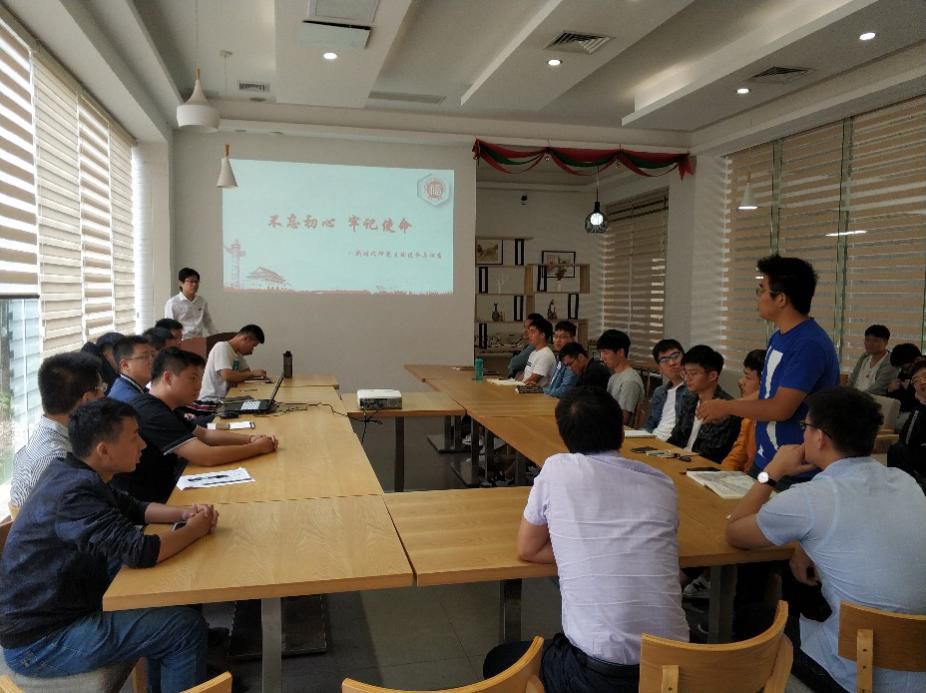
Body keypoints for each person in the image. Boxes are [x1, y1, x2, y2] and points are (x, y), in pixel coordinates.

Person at [0, 399, 215, 692]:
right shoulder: (74, 493)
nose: (143, 445)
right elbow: (140, 551)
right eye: (134, 437)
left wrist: (184, 513)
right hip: (41, 645)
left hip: (58, 615)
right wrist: (194, 530)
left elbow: (133, 508)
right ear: (104, 450)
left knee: (168, 601)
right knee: (184, 629)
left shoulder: (71, 471)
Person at [482, 387, 688, 692]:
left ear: (564, 436)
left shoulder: (558, 469)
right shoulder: (662, 483)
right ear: (622, 428)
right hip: (678, 669)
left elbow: (527, 549)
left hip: (600, 677)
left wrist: (581, 548)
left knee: (499, 661)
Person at [726, 386, 926, 693]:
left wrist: (772, 471)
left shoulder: (810, 497)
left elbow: (735, 531)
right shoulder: (904, 481)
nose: (803, 433)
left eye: (805, 426)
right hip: (919, 665)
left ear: (819, 437)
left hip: (858, 674)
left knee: (752, 618)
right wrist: (805, 544)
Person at [698, 254, 839, 484]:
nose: (758, 296)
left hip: (795, 469)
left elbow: (781, 408)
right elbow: (767, 394)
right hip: (767, 459)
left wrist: (728, 407)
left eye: (762, 289)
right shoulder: (780, 336)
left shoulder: (808, 344)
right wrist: (725, 408)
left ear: (781, 299)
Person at [112, 348, 277, 503]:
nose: (199, 386)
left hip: (164, 484)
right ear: (168, 378)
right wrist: (257, 448)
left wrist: (250, 439)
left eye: (200, 378)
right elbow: (207, 456)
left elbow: (204, 434)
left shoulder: (159, 404)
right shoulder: (151, 412)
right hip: (149, 499)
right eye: (192, 378)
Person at [9, 352, 105, 512]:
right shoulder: (58, 459)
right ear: (87, 399)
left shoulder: (49, 435)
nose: (104, 395)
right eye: (101, 389)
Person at [667, 345, 741, 463]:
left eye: (693, 373)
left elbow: (713, 453)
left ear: (712, 376)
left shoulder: (725, 408)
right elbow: (677, 437)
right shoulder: (689, 399)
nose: (687, 378)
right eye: (685, 373)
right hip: (678, 459)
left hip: (701, 465)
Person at [721, 349, 767, 472]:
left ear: (764, 385)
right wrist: (720, 475)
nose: (741, 382)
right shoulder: (749, 416)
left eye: (748, 377)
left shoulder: (776, 422)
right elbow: (737, 455)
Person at [198, 324, 268, 402]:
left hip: (226, 398)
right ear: (246, 338)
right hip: (212, 400)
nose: (252, 350)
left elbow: (246, 373)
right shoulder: (221, 347)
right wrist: (253, 373)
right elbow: (227, 375)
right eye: (253, 346)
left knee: (258, 401)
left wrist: (253, 375)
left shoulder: (238, 353)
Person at [887, 358, 926, 481]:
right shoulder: (919, 410)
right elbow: (906, 439)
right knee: (898, 450)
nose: (922, 382)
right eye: (916, 381)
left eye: (925, 376)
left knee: (897, 450)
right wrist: (922, 405)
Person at [642, 339, 687, 441]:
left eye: (675, 356)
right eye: (664, 360)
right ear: (660, 368)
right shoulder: (659, 392)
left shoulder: (694, 391)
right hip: (653, 439)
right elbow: (650, 424)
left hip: (671, 444)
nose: (671, 363)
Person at [597, 329, 644, 425]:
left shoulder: (629, 381)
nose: (602, 358)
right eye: (601, 353)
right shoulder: (614, 377)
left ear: (621, 352)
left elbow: (622, 420)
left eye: (606, 353)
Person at [164, 267, 217, 339]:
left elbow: (208, 322)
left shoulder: (201, 301)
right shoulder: (172, 303)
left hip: (199, 340)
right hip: (182, 341)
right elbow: (169, 328)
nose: (194, 284)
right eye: (191, 281)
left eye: (196, 282)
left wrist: (217, 338)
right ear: (181, 283)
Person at [847, 324, 898, 395]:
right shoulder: (864, 357)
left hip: (873, 399)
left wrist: (856, 398)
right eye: (867, 340)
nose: (870, 344)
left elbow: (878, 388)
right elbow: (852, 380)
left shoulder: (891, 362)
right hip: (854, 397)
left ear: (886, 342)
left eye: (875, 341)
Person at [108, 335, 155, 404]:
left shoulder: (128, 386)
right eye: (145, 357)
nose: (153, 361)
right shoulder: (131, 399)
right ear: (125, 365)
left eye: (153, 355)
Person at [886, 342, 923, 421]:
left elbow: (911, 405)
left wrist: (908, 389)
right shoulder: (905, 372)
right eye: (901, 369)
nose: (904, 372)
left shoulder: (921, 375)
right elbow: (898, 404)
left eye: (906, 369)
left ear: (917, 360)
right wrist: (890, 390)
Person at [543, 320, 578, 398]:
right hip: (552, 399)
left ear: (572, 339)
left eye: (563, 337)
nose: (558, 340)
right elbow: (553, 386)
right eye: (555, 336)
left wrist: (540, 390)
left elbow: (564, 391)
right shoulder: (560, 357)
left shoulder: (573, 360)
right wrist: (536, 388)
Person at [519, 316, 556, 387]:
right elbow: (525, 375)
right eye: (529, 332)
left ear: (542, 335)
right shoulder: (533, 353)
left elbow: (532, 380)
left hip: (535, 392)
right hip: (524, 389)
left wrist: (515, 387)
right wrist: (513, 383)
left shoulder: (545, 355)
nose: (529, 335)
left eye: (532, 332)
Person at [507, 313, 544, 379]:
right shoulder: (530, 346)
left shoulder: (533, 347)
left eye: (529, 328)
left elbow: (514, 363)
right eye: (525, 327)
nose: (525, 331)